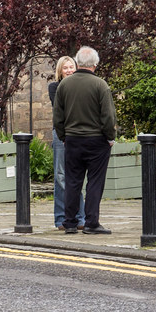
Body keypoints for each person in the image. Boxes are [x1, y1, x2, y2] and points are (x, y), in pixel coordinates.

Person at [52, 46, 116, 235]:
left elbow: (58, 117)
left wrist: (64, 137)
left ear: (78, 63)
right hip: (97, 141)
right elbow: (108, 117)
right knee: (94, 182)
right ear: (95, 65)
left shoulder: (64, 85)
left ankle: (70, 223)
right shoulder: (100, 85)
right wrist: (110, 137)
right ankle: (91, 223)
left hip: (72, 140)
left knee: (73, 181)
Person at [48, 55, 84, 230]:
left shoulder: (82, 86)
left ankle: (80, 217)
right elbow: (61, 107)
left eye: (72, 67)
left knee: (75, 176)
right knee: (60, 176)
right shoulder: (54, 87)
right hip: (61, 133)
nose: (69, 70)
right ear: (60, 71)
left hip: (78, 133)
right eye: (65, 68)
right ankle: (61, 218)